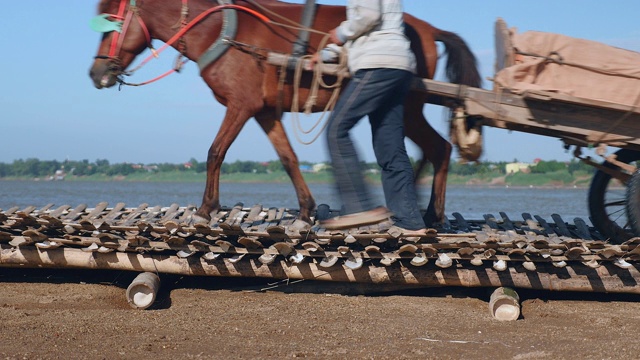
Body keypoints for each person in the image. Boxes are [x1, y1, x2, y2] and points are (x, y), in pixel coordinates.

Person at [315, 0, 426, 235]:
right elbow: (367, 30)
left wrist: (340, 32)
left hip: (377, 65)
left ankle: (359, 207)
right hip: (399, 66)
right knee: (390, 145)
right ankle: (410, 221)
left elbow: (368, 16)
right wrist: (326, 53)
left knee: (336, 130)